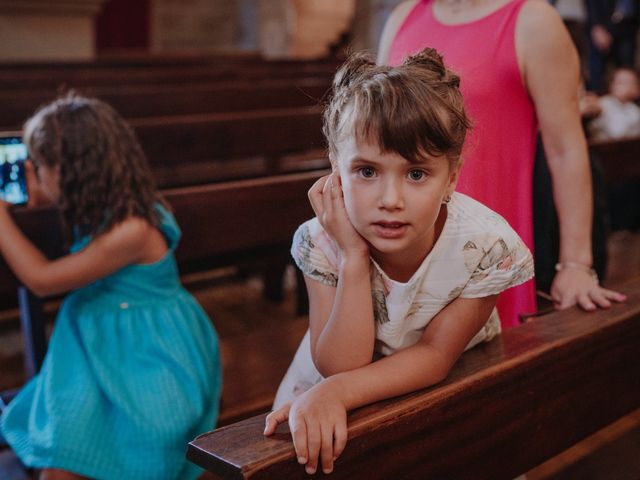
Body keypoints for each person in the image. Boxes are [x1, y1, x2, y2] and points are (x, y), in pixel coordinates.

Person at [264, 48, 535, 475]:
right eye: (367, 172)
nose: (391, 201)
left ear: (452, 176)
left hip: (445, 384)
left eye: (416, 173)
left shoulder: (485, 248)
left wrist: (339, 391)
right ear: (336, 168)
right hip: (334, 381)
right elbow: (338, 367)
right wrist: (354, 256)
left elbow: (435, 356)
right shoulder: (322, 242)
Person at [0, 94, 222, 480]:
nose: (33, 173)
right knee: (64, 447)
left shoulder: (132, 229)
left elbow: (40, 281)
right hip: (100, 344)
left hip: (148, 352)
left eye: (39, 165)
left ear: (70, 171)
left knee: (141, 438)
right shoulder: (114, 202)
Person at [377, 0, 626, 327]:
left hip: (486, 253)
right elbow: (375, 132)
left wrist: (576, 265)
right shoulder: (403, 17)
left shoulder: (533, 20)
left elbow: (565, 149)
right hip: (400, 246)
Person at [586, 0, 639, 93]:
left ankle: (627, 97)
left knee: (626, 66)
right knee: (597, 70)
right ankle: (596, 98)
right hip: (605, 23)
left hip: (630, 26)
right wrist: (597, 25)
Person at [589, 67, 640, 140]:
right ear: (611, 86)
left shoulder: (634, 109)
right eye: (618, 82)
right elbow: (616, 133)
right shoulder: (602, 104)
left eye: (626, 83)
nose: (619, 86)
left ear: (636, 89)